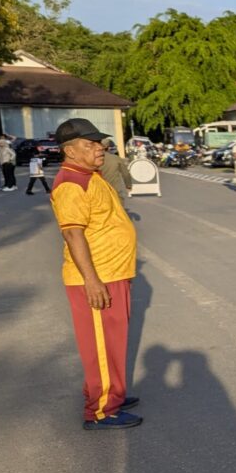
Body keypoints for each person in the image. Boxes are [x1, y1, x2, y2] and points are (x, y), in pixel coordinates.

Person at [49, 119, 141, 430]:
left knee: (112, 342)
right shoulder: (71, 184)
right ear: (70, 151)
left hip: (112, 272)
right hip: (97, 277)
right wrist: (91, 280)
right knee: (101, 346)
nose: (99, 149)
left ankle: (111, 393)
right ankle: (101, 410)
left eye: (99, 143)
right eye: (89, 145)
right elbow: (73, 234)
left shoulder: (90, 175)